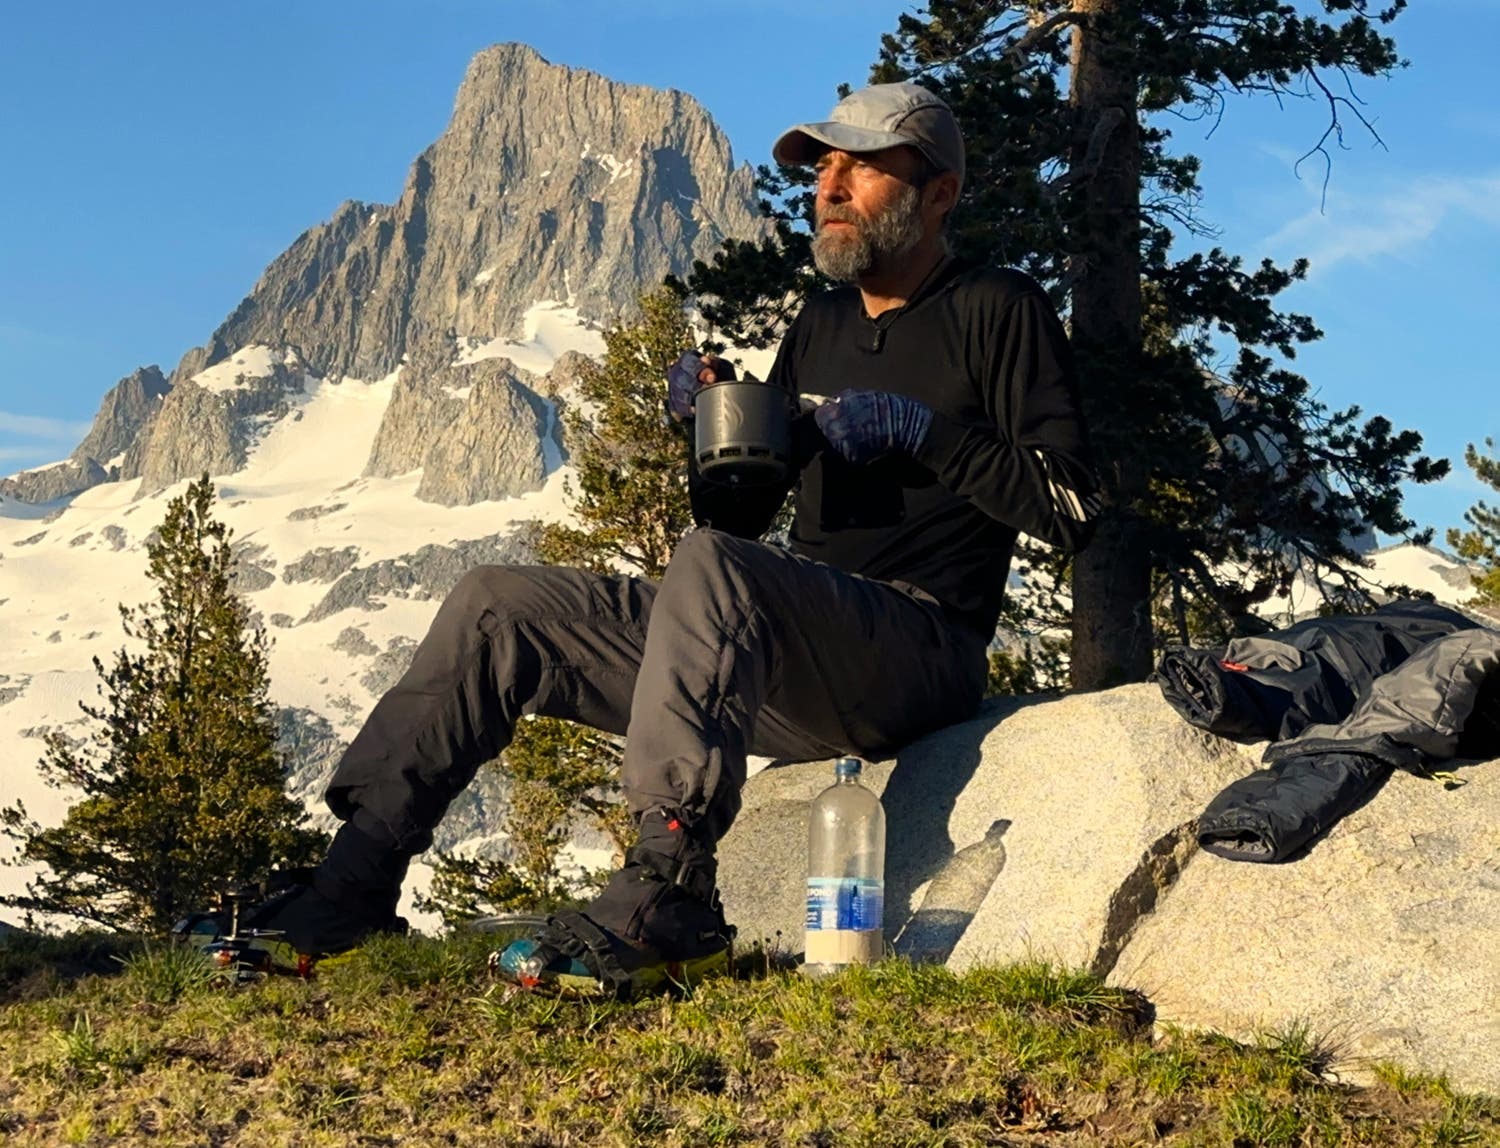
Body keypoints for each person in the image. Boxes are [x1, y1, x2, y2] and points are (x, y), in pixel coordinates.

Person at [250, 80, 1100, 995]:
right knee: (499, 606)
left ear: (938, 194)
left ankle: (670, 888)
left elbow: (1075, 508)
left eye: (862, 166)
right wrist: (714, 428)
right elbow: (735, 526)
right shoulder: (820, 324)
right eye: (825, 166)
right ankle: (352, 883)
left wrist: (922, 432)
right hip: (797, 660)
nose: (831, 185)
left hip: (919, 650)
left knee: (707, 566)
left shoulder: (997, 307)